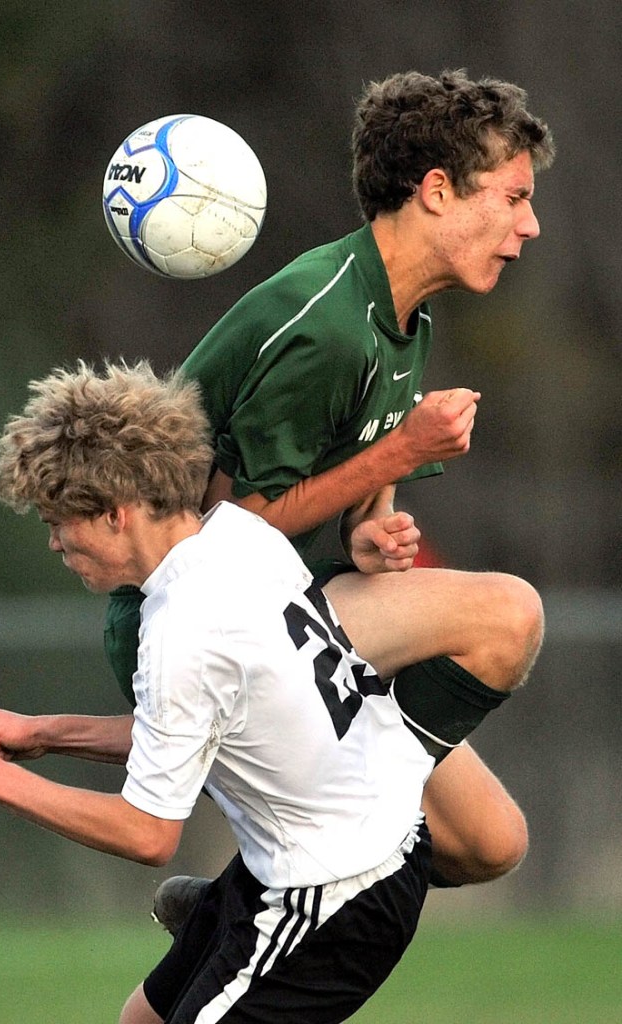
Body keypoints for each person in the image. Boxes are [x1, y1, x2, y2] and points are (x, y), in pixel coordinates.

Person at [0, 360, 519, 1024]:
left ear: (118, 513)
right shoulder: (236, 536)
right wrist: (41, 734)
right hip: (330, 851)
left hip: (330, 896)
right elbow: (196, 728)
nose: (55, 542)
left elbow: (147, 834)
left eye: (58, 520)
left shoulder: (181, 626)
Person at [104, 69, 555, 911]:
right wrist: (400, 452)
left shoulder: (404, 314)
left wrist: (365, 536)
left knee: (488, 843)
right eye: (514, 196)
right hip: (192, 626)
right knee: (507, 614)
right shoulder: (326, 323)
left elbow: (328, 504)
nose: (529, 225)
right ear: (435, 190)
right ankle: (343, 825)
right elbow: (229, 532)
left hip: (287, 607)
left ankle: (229, 903)